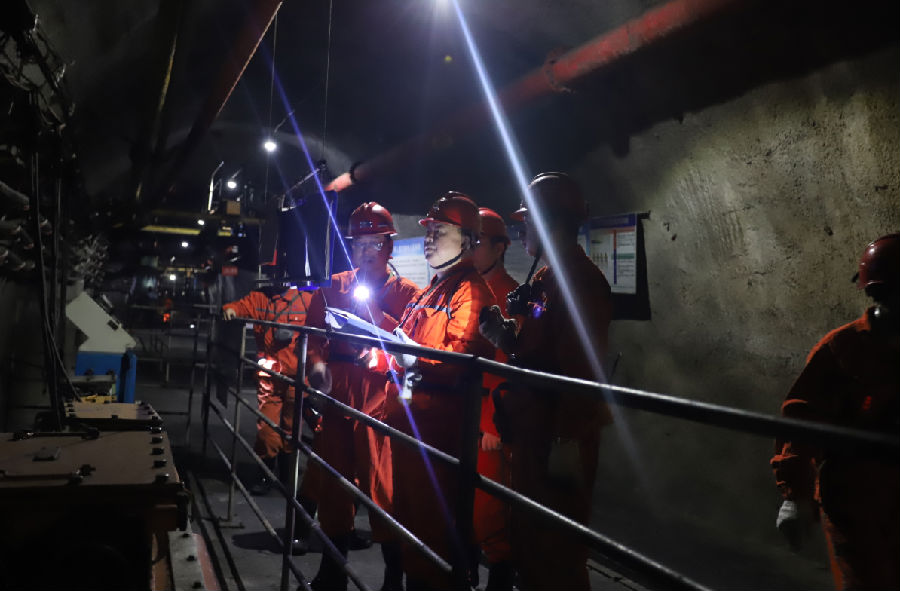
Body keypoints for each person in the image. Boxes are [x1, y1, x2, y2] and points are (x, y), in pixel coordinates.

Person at [479, 172, 612, 591]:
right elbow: (542, 349)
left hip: (556, 437)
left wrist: (566, 445)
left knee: (557, 552)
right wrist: (507, 339)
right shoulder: (547, 279)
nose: (522, 231)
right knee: (532, 545)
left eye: (527, 222)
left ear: (549, 221)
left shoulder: (579, 281)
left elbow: (578, 370)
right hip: (535, 434)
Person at [370, 192, 496, 591]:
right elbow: (409, 342)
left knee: (433, 536)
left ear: (469, 240)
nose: (429, 238)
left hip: (437, 437)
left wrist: (411, 358)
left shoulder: (470, 292)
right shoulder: (433, 290)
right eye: (428, 231)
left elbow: (459, 357)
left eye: (439, 231)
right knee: (412, 529)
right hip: (413, 430)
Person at [771, 233, 899, 591]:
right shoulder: (843, 350)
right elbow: (803, 418)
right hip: (858, 500)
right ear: (881, 294)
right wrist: (795, 495)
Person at [304, 202, 419, 591]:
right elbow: (313, 337)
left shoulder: (407, 294)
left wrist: (379, 327)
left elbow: (413, 349)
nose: (366, 251)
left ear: (389, 247)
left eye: (375, 243)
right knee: (333, 485)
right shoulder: (333, 286)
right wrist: (317, 367)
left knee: (382, 488)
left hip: (378, 400)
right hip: (337, 398)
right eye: (359, 243)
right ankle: (332, 572)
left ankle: (393, 578)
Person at [222, 284, 317, 495]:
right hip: (270, 377)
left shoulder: (307, 299)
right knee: (267, 428)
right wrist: (231, 309)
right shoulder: (260, 298)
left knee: (292, 428)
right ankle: (266, 474)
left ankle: (285, 475)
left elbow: (321, 326)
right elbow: (240, 306)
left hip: (297, 378)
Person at [471, 207, 519, 591]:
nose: (470, 248)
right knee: (465, 501)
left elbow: (508, 368)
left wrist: (492, 424)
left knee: (490, 509)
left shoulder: (508, 296)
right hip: (465, 409)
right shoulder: (468, 290)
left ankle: (500, 579)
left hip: (489, 415)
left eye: (478, 242)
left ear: (499, 248)